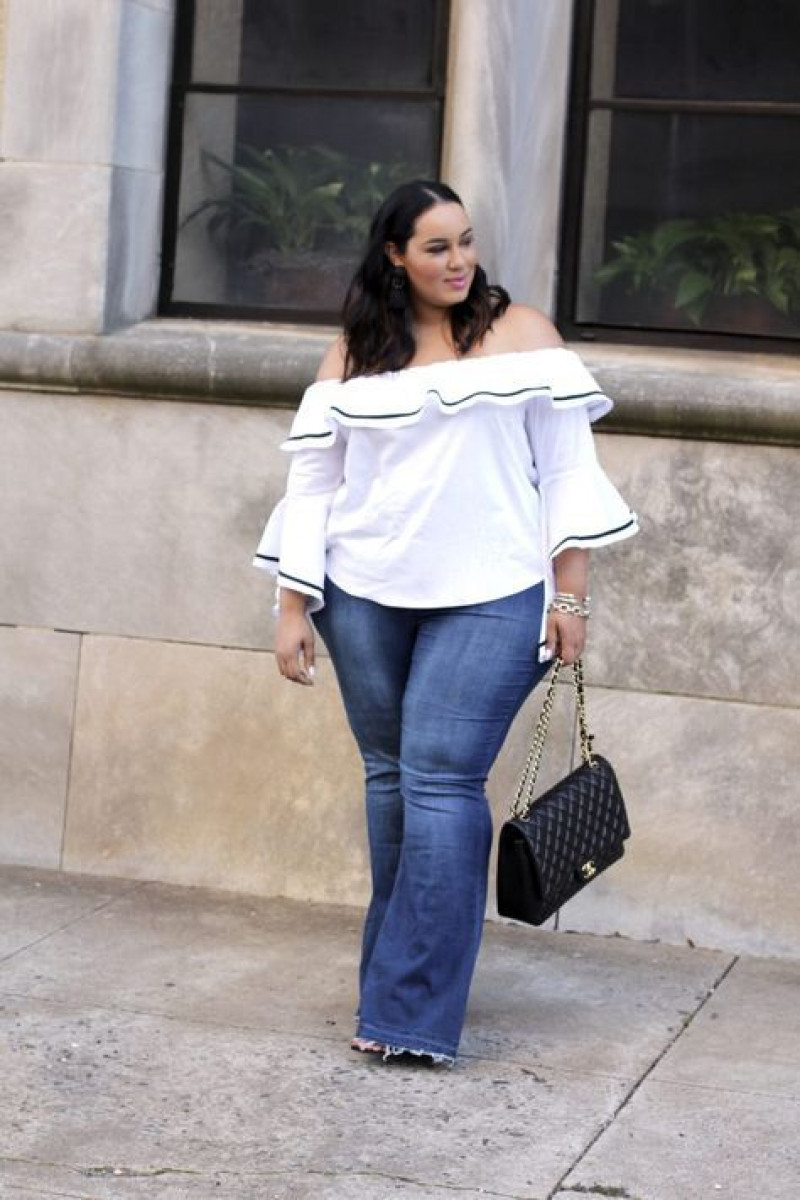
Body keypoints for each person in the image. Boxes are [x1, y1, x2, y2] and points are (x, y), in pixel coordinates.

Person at [254, 180, 638, 1067]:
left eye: (465, 241)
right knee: (391, 781)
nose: (458, 261)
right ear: (394, 255)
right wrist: (290, 604)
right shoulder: (355, 352)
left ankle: (409, 1013)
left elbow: (567, 473)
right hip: (364, 593)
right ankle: (389, 991)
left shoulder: (524, 335)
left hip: (494, 593)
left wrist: (569, 596)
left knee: (438, 786)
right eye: (435, 247)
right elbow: (313, 485)